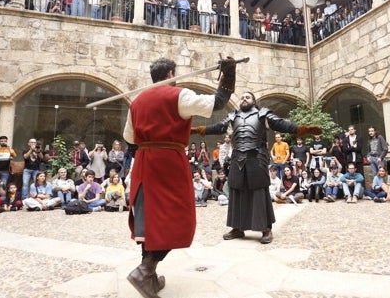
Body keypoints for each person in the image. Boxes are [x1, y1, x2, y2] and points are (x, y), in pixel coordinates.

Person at [122, 56, 236, 298]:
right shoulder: (179, 95)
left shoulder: (136, 102)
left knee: (150, 222)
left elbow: (130, 139)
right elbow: (218, 102)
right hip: (169, 162)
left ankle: (149, 278)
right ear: (171, 74)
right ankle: (145, 270)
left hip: (144, 162)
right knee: (178, 219)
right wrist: (229, 75)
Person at [193, 91, 320, 245]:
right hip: (238, 159)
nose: (244, 99)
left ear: (254, 101)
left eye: (247, 97)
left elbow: (281, 124)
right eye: (242, 97)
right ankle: (237, 227)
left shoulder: (262, 114)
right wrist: (199, 130)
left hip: (257, 158)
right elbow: (218, 127)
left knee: (259, 193)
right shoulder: (233, 116)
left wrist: (302, 129)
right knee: (236, 192)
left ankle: (266, 229)